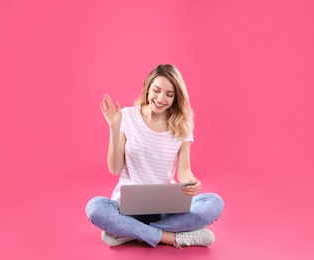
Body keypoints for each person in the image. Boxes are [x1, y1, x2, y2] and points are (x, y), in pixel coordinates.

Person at [85, 64, 224, 248]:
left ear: (176, 98)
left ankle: (130, 232)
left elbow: (184, 171)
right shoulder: (126, 116)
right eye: (156, 91)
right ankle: (171, 237)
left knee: (214, 203)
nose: (160, 99)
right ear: (148, 88)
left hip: (165, 209)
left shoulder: (182, 125)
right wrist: (114, 127)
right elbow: (114, 168)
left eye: (169, 94)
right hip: (126, 209)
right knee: (95, 208)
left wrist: (192, 183)